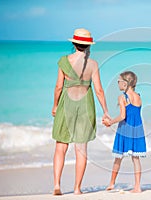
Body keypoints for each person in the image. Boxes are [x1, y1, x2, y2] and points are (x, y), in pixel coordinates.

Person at [51, 28, 109, 195]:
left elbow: (58, 87)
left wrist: (55, 106)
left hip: (66, 106)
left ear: (74, 44)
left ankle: (56, 185)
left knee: (61, 147)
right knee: (81, 149)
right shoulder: (93, 64)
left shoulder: (64, 61)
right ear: (88, 45)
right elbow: (99, 90)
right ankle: (77, 189)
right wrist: (105, 111)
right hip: (85, 107)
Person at [103, 71, 146, 193]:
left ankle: (111, 183)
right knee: (136, 158)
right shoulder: (138, 96)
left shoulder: (122, 97)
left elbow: (123, 116)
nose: (117, 83)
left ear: (125, 83)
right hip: (137, 130)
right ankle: (137, 186)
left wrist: (110, 122)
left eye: (119, 81)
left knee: (118, 158)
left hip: (125, 130)